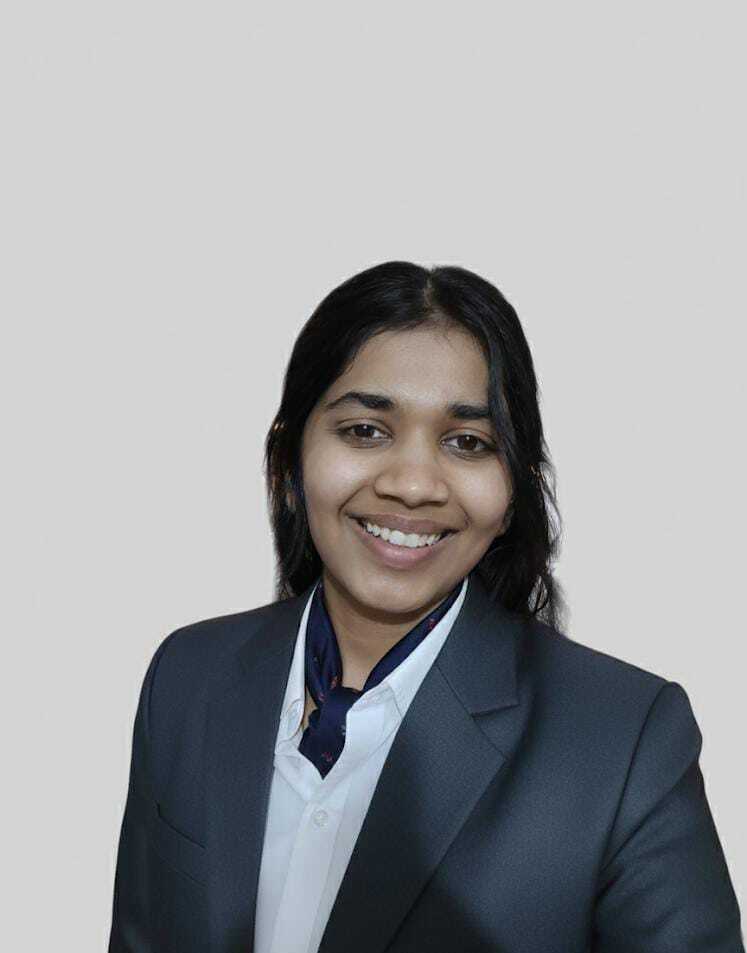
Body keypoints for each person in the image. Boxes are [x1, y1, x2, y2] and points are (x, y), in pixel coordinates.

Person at [107, 261, 744, 953]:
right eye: (365, 430)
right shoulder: (188, 675)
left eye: (467, 442)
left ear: (513, 492)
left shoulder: (626, 742)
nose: (412, 485)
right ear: (287, 461)